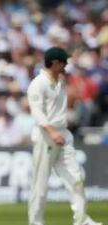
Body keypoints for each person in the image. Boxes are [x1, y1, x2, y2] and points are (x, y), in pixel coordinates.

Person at [27, 47, 102, 225]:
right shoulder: (38, 84)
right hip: (46, 136)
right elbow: (37, 113)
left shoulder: (60, 80)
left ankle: (82, 220)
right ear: (54, 63)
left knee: (76, 178)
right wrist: (52, 132)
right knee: (40, 184)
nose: (66, 66)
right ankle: (35, 222)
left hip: (63, 134)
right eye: (63, 63)